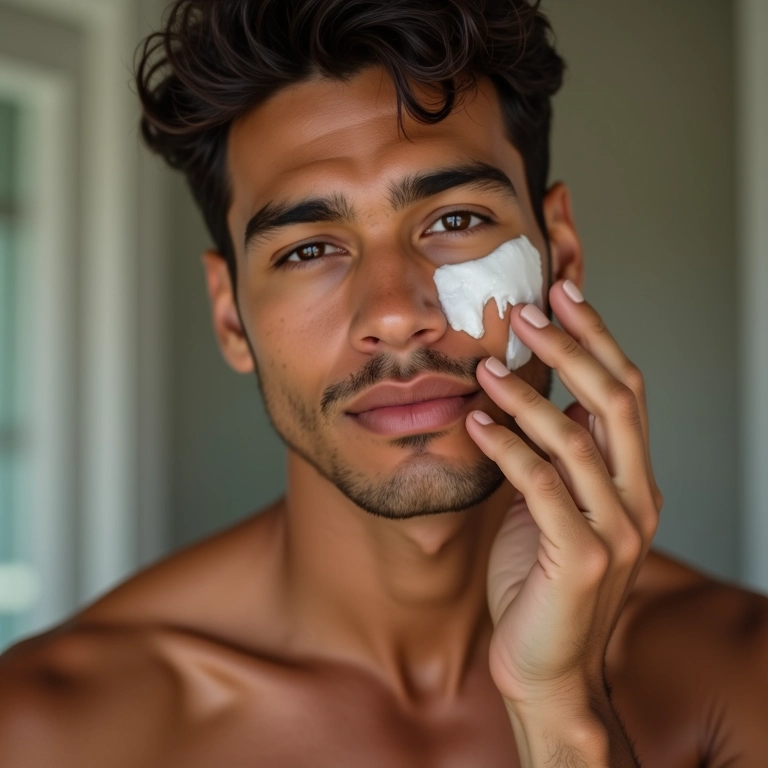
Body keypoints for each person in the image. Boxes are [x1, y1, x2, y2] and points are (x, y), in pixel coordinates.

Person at [1, 1, 766, 765]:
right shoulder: (49, 729)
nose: (397, 315)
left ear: (560, 255)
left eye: (455, 219)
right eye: (307, 251)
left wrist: (562, 707)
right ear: (231, 317)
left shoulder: (742, 675)